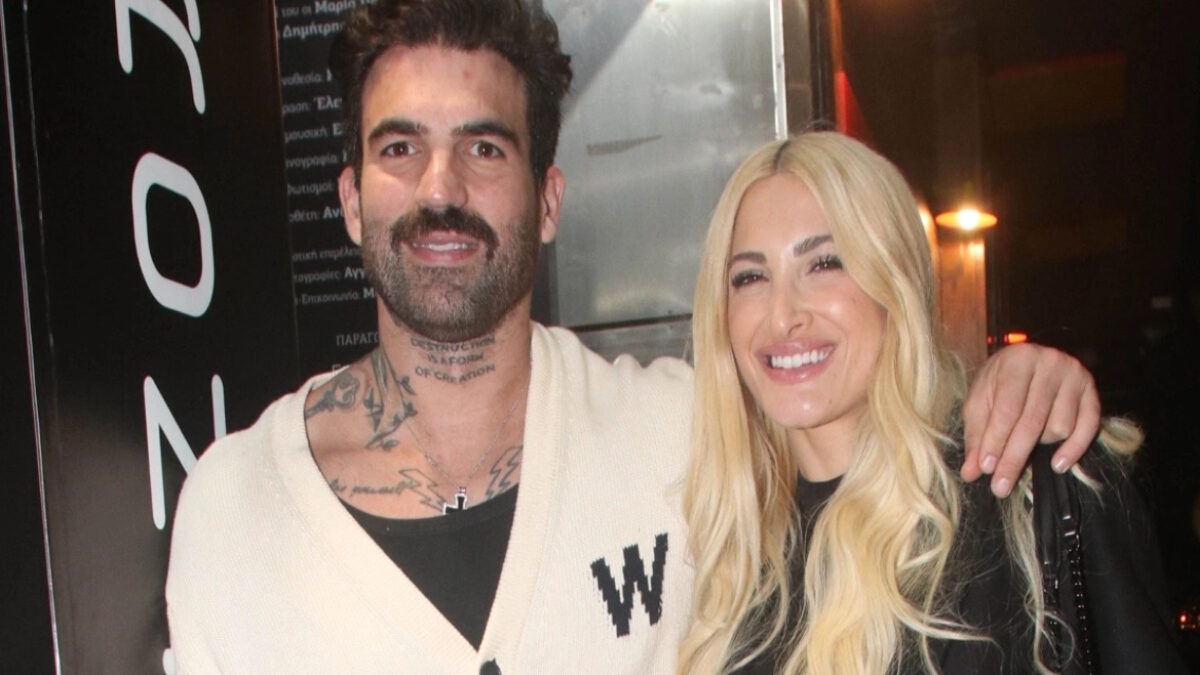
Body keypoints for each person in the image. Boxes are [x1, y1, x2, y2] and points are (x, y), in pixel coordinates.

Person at [166, 2, 1101, 672]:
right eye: (399, 148)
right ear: (349, 199)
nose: (440, 188)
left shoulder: (688, 432)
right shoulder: (232, 510)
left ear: (548, 201)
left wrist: (1011, 382)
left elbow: (872, 430)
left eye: (485, 148)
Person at [680, 132, 1185, 674]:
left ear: (894, 280)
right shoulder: (738, 565)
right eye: (750, 277)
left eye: (824, 263)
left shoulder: (1025, 490)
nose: (783, 316)